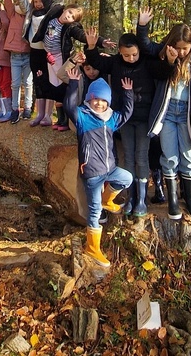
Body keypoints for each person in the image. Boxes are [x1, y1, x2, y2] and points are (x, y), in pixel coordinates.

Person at [85, 29, 169, 217]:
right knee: (129, 157)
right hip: (124, 118)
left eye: (133, 54)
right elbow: (97, 62)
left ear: (139, 50)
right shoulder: (115, 63)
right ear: (120, 53)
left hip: (145, 119)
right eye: (125, 55)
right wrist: (91, 47)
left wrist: (171, 60)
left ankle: (141, 199)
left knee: (141, 157)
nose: (130, 58)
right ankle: (131, 197)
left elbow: (164, 71)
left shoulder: (147, 63)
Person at [64, 67, 134, 268]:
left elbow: (127, 114)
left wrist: (128, 93)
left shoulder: (111, 118)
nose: (100, 103)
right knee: (94, 212)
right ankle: (92, 248)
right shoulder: (83, 117)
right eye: (96, 99)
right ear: (89, 99)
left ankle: (107, 199)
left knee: (126, 178)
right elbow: (69, 106)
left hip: (110, 169)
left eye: (104, 101)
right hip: (93, 173)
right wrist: (72, 84)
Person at [139, 20, 191, 222]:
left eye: (185, 48)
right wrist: (142, 26)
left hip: (187, 114)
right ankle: (173, 201)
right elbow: (145, 46)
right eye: (177, 48)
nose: (181, 52)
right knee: (169, 157)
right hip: (168, 113)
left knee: (188, 156)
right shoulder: (162, 55)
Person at [33, 0, 114, 130]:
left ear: (72, 21)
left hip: (60, 57)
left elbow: (83, 35)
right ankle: (59, 119)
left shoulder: (70, 28)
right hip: (48, 55)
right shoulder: (54, 12)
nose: (67, 16)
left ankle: (64, 120)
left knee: (61, 85)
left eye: (71, 17)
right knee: (52, 83)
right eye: (68, 12)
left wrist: (101, 41)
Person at [10, 0, 62, 127]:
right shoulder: (30, 12)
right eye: (36, 1)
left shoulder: (51, 12)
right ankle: (39, 114)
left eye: (41, 1)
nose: (39, 4)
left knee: (49, 81)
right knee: (38, 82)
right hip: (34, 51)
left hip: (48, 52)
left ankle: (47, 114)